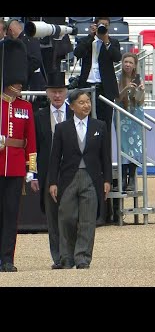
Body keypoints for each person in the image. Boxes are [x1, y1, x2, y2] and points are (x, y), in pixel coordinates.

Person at [48, 89, 112, 269]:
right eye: (82, 102)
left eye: (88, 102)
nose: (86, 105)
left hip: (91, 178)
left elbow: (105, 156)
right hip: (68, 178)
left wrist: (107, 180)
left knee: (88, 219)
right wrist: (53, 181)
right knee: (66, 217)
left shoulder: (100, 126)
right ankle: (66, 257)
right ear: (72, 106)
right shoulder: (62, 128)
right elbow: (55, 157)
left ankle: (82, 257)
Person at [0, 38, 37, 272]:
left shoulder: (26, 107)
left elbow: (30, 142)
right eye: (16, 82)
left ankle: (7, 259)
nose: (20, 86)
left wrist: (31, 170)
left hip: (15, 169)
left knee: (11, 216)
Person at [31, 71, 72, 269]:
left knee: (71, 215)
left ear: (66, 93)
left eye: (60, 91)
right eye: (54, 92)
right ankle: (58, 257)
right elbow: (33, 147)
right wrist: (33, 174)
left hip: (71, 172)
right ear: (47, 93)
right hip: (48, 173)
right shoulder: (38, 116)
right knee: (53, 217)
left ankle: (71, 254)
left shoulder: (74, 113)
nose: (57, 96)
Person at [73, 17, 122, 140]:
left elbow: (117, 57)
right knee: (84, 121)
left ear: (109, 27)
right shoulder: (86, 40)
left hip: (105, 88)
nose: (103, 27)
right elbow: (77, 53)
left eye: (105, 25)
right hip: (86, 87)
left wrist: (106, 41)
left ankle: (105, 156)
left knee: (105, 123)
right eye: (101, 25)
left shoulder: (113, 42)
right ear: (95, 25)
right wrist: (91, 36)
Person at [114, 52, 145, 191]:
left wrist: (139, 91)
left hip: (135, 114)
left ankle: (132, 178)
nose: (127, 64)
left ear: (135, 65)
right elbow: (116, 99)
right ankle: (122, 178)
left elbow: (139, 101)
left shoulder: (138, 78)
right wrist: (126, 88)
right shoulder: (117, 78)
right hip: (121, 114)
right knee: (123, 145)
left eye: (130, 63)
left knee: (135, 146)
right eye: (126, 62)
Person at [6, 18, 48, 111]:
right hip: (27, 84)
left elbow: (36, 61)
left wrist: (20, 73)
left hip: (32, 84)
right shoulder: (23, 40)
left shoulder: (29, 39)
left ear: (10, 31)